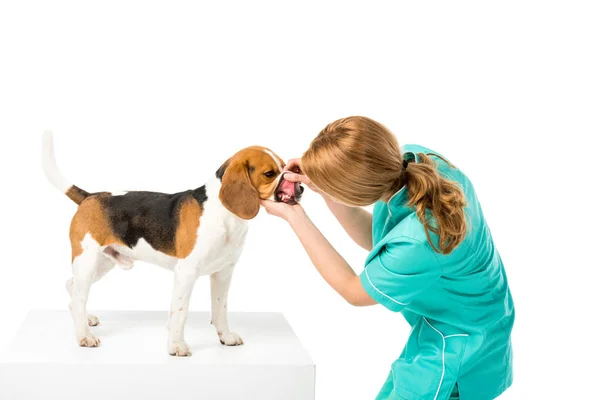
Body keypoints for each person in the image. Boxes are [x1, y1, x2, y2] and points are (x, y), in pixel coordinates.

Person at [260, 116, 514, 400]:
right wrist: (327, 188)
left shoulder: (420, 239)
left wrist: (295, 217)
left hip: (462, 340)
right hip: (465, 318)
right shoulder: (415, 160)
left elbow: (354, 291)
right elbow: (379, 239)